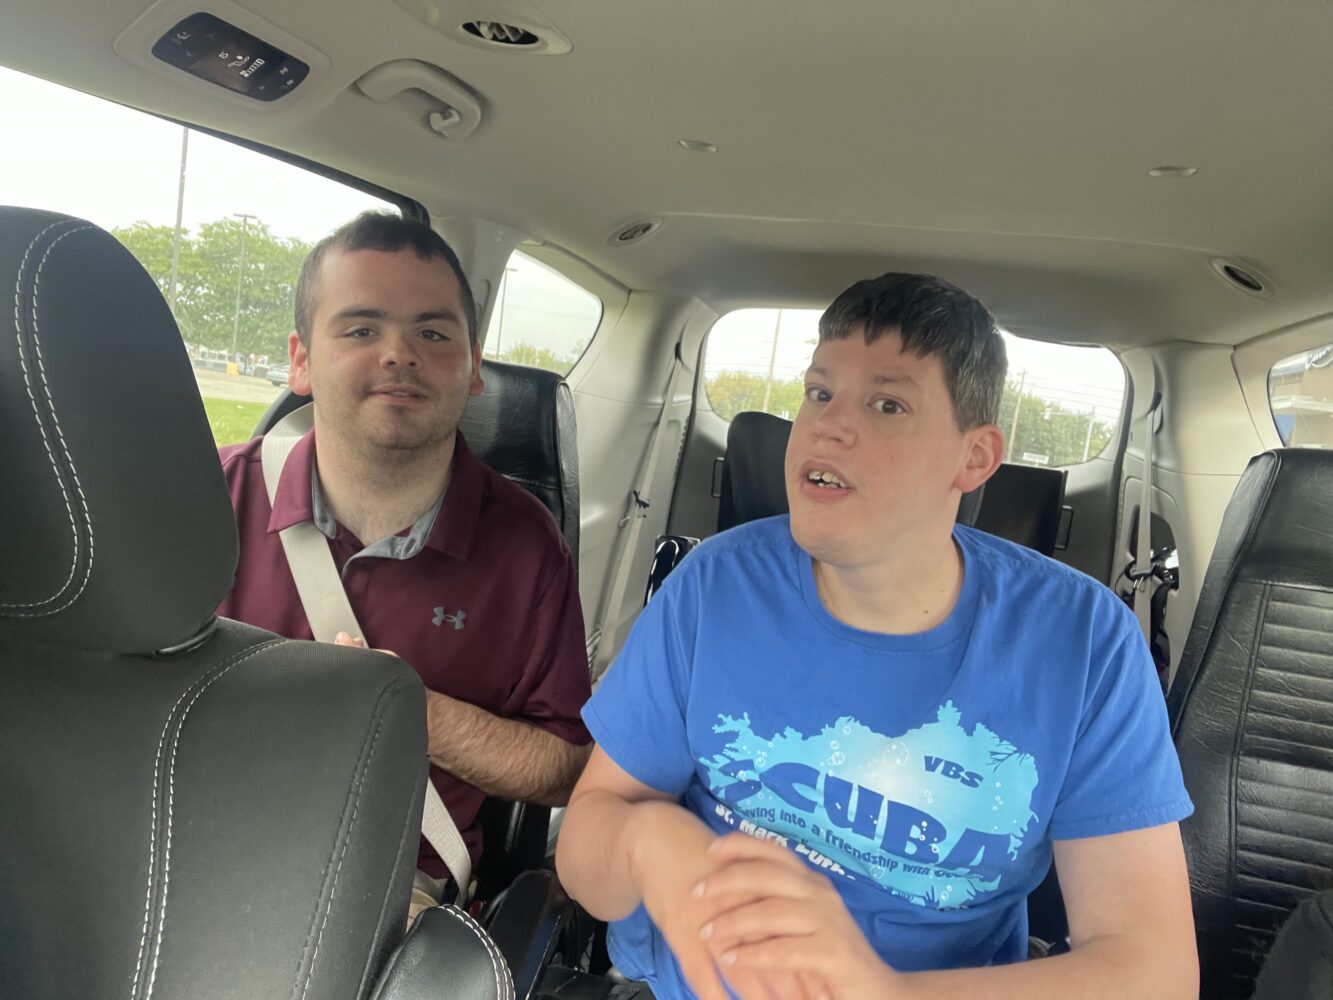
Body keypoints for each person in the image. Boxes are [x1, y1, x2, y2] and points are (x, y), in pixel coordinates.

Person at [556, 273, 1197, 999]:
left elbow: (1154, 972)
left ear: (974, 457)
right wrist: (647, 843)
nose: (828, 425)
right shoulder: (714, 585)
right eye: (819, 392)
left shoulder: (1084, 643)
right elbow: (584, 858)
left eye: (887, 403)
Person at [218, 211, 592, 890]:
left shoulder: (526, 547)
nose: (399, 354)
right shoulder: (203, 496)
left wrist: (412, 713)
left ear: (473, 368)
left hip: (395, 888)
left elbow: (565, 764)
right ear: (300, 360)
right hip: (200, 839)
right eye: (361, 329)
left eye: (432, 332)